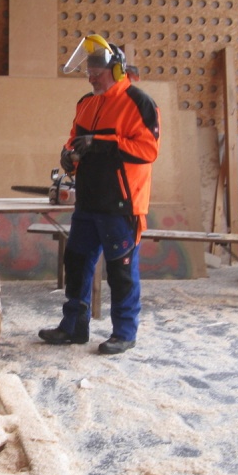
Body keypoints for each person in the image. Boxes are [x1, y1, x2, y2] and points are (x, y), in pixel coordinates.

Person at [38, 34, 160, 355]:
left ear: (116, 70)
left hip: (122, 203)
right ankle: (74, 326)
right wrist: (68, 156)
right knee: (77, 262)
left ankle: (124, 332)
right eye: (89, 73)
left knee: (120, 270)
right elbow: (73, 139)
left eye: (97, 73)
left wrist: (103, 143)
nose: (91, 78)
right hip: (88, 200)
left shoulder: (138, 102)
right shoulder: (86, 103)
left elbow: (148, 149)